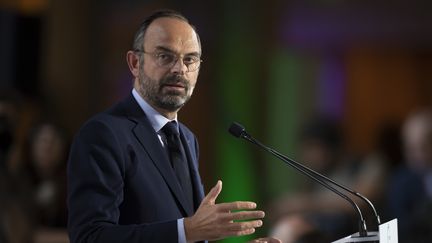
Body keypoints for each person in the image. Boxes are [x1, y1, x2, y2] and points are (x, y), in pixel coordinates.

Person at [67, 9, 280, 243]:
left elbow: (189, 236)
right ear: (135, 63)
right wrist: (187, 230)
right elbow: (90, 237)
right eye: (165, 56)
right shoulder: (103, 134)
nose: (180, 69)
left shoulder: (187, 139)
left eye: (190, 59)